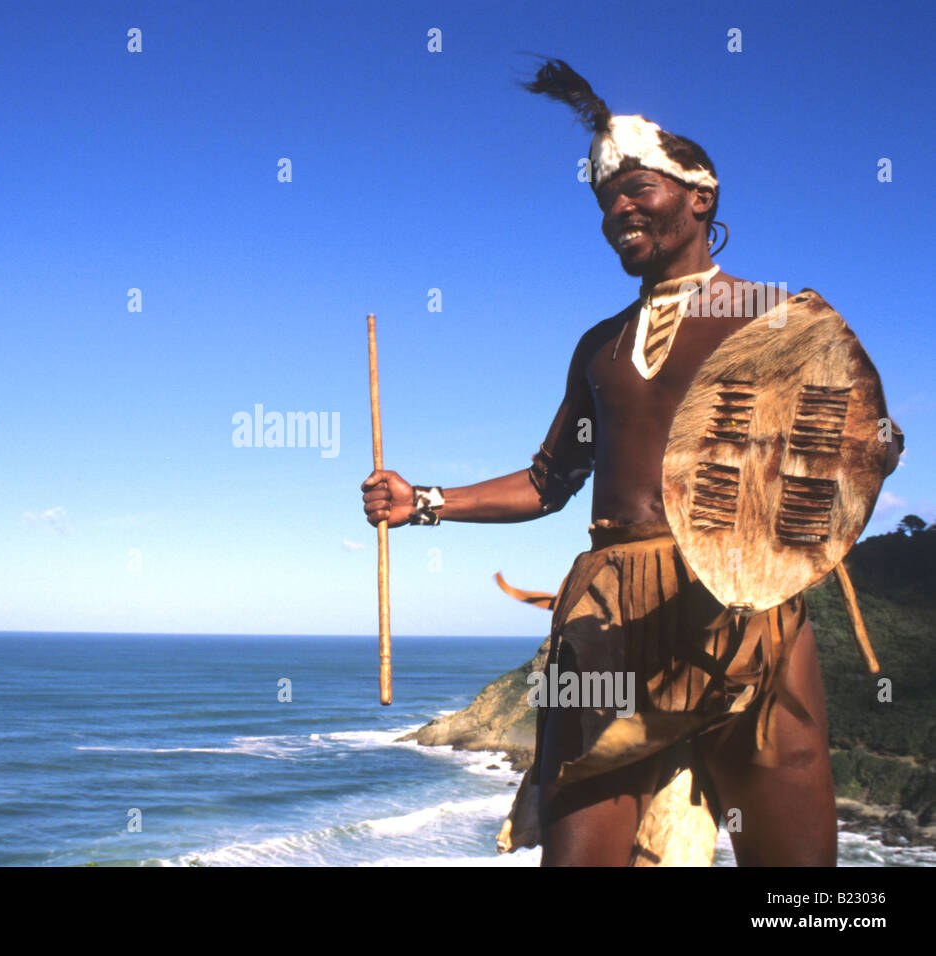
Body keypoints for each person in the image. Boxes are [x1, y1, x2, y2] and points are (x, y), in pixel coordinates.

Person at [360, 60, 904, 866]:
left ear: (700, 195)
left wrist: (874, 454)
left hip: (742, 610)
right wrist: (425, 502)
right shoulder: (599, 347)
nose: (617, 209)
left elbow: (851, 442)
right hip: (609, 615)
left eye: (636, 189)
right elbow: (550, 482)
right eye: (603, 199)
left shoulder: (773, 316)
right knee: (580, 852)